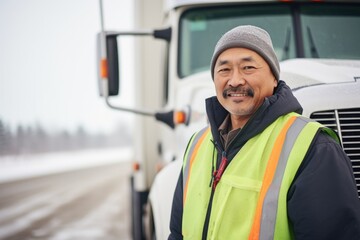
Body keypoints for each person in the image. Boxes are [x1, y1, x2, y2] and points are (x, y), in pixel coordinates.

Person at [168, 25, 360, 240]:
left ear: (275, 78)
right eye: (224, 69)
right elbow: (177, 233)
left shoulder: (314, 147)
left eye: (248, 67)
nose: (235, 80)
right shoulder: (197, 144)